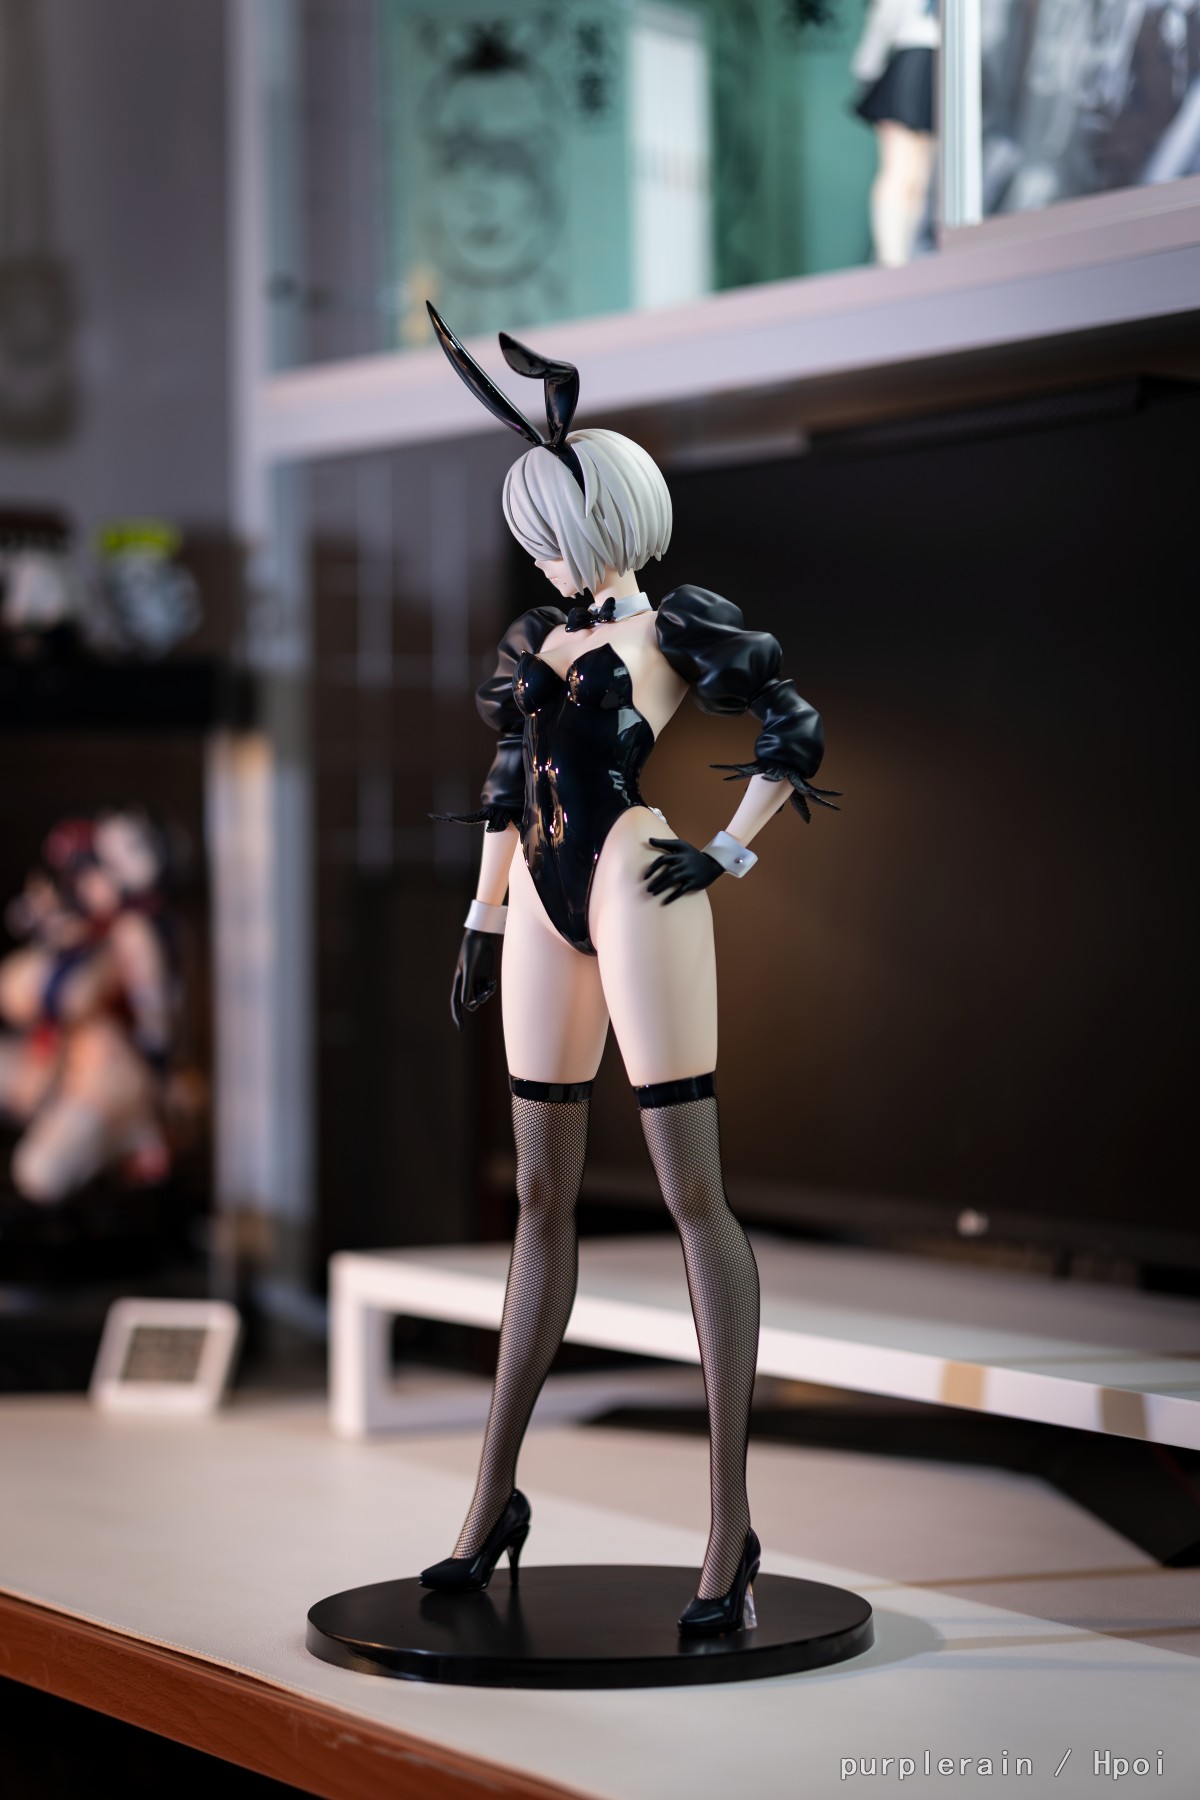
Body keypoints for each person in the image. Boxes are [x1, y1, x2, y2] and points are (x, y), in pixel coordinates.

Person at [419, 304, 840, 1635]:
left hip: (634, 874)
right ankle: (490, 1500)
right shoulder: (533, 643)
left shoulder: (671, 627)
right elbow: (507, 782)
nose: (541, 554)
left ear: (600, 517)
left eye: (552, 529)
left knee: (688, 1192)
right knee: (539, 1194)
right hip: (545, 897)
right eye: (531, 535)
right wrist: (484, 916)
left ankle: (728, 1526)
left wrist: (728, 852)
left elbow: (790, 721)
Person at [852, 0, 941, 267]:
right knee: (899, 171)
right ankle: (891, 262)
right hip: (911, 64)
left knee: (919, 178)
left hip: (940, 66)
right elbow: (884, 21)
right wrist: (867, 69)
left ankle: (904, 258)